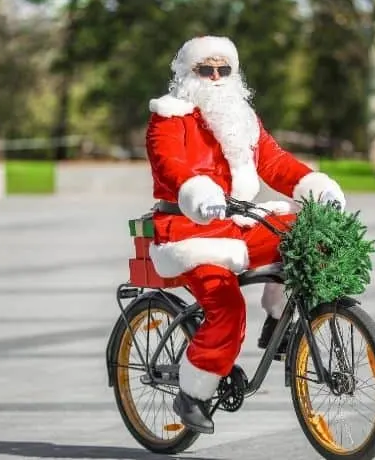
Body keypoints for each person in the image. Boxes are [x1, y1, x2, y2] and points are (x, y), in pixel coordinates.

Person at [145, 35, 346, 434]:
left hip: (237, 223)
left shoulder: (241, 117)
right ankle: (193, 392)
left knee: (311, 235)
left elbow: (274, 161)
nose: (216, 77)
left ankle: (279, 321)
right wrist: (198, 192)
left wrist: (314, 185)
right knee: (228, 308)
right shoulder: (169, 119)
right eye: (206, 69)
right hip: (190, 232)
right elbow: (169, 164)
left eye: (224, 69)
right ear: (188, 73)